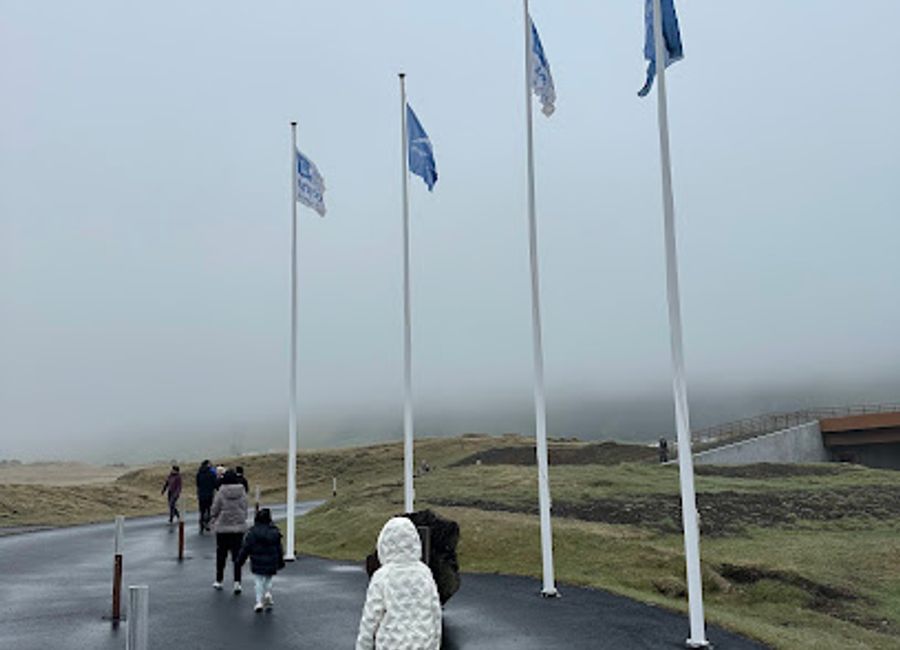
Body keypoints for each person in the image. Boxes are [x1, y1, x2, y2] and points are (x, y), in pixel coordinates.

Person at [355, 517, 442, 650]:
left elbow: (370, 618)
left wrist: (363, 646)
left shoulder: (382, 577)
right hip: (423, 643)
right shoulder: (424, 573)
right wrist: (435, 643)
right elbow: (435, 610)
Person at [237, 508, 285, 612]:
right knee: (268, 578)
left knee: (258, 580)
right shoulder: (275, 532)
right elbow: (279, 548)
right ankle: (267, 593)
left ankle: (259, 602)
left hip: (257, 561)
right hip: (271, 560)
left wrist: (240, 561)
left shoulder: (252, 532)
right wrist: (280, 561)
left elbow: (246, 548)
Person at [210, 469, 248, 594]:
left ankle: (219, 580)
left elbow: (215, 509)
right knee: (237, 556)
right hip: (238, 528)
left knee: (221, 555)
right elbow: (245, 507)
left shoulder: (221, 492)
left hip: (223, 528)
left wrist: (214, 518)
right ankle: (237, 582)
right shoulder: (242, 491)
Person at [196, 460, 217, 533]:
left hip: (201, 494)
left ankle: (201, 525)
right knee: (208, 510)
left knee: (202, 511)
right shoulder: (212, 474)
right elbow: (215, 484)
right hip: (209, 494)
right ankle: (207, 523)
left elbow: (198, 484)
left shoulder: (199, 473)